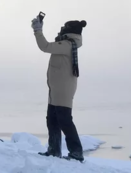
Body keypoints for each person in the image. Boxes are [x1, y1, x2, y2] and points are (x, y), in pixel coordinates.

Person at [31, 16, 88, 162]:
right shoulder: (67, 44)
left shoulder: (68, 44)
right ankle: (54, 150)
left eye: (64, 27)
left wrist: (38, 30)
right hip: (56, 89)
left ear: (69, 30)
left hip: (63, 90)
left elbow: (45, 46)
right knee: (52, 120)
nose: (61, 29)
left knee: (65, 121)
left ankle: (76, 153)